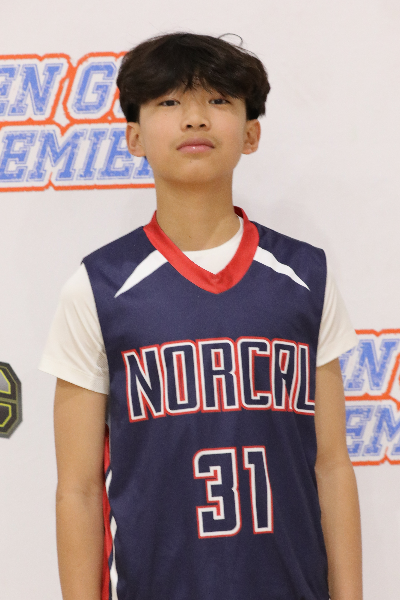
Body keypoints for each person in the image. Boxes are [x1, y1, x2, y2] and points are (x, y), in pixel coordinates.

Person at [40, 32, 363, 600]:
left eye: (218, 100)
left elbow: (332, 465)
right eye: (169, 102)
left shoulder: (304, 275)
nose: (194, 118)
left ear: (251, 133)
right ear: (134, 137)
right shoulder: (98, 286)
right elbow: (79, 490)